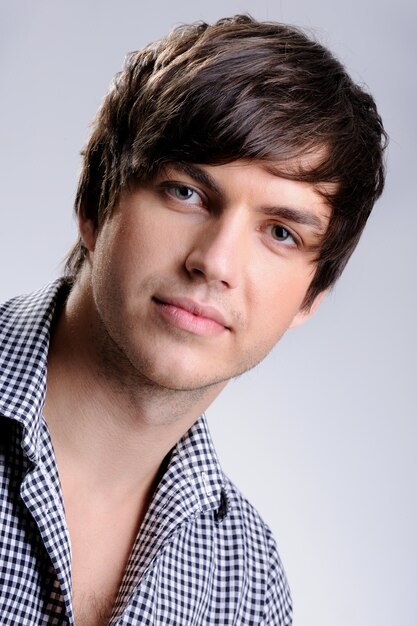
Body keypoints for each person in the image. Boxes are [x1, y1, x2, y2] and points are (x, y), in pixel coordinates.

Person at [0, 14, 386, 626]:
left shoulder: (247, 580)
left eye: (280, 233)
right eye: (186, 193)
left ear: (313, 295)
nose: (215, 263)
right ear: (95, 203)